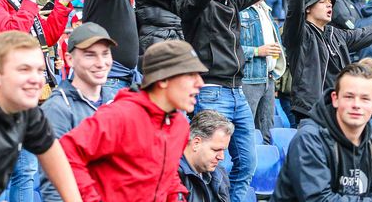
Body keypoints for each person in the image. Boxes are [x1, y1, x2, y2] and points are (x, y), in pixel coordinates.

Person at [176, 0, 311, 202]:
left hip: (237, 92)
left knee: (247, 163)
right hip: (212, 92)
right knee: (217, 164)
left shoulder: (233, 3)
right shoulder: (194, 7)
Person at [61, 40, 207, 202]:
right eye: (190, 75)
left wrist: (176, 197)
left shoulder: (179, 125)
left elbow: (168, 173)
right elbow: (66, 152)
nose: (200, 83)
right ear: (163, 79)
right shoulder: (119, 115)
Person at [0, 31, 82, 201]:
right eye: (24, 69)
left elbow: (52, 152)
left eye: (40, 70)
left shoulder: (22, 106)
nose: (36, 80)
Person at [272, 63, 372, 201]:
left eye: (365, 98)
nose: (356, 105)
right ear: (335, 99)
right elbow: (318, 199)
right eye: (349, 96)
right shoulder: (309, 139)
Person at [39, 22, 116, 201]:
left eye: (105, 54)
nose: (101, 63)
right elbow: (53, 188)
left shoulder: (116, 100)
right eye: (90, 55)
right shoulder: (57, 109)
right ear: (69, 59)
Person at [239, 0, 286, 144]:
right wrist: (258, 51)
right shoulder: (239, 11)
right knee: (247, 130)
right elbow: (229, 48)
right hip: (249, 79)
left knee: (267, 131)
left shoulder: (266, 11)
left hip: (268, 78)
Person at [178, 110, 233, 202]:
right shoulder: (171, 176)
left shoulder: (220, 173)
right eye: (216, 150)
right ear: (196, 143)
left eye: (223, 150)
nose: (221, 157)